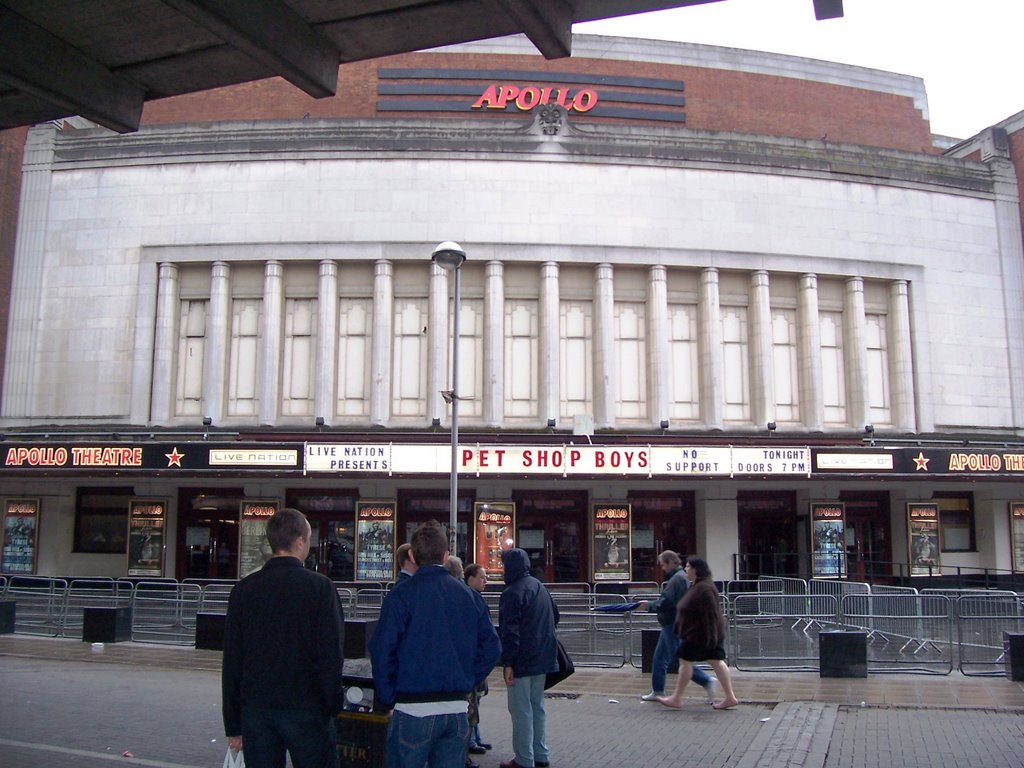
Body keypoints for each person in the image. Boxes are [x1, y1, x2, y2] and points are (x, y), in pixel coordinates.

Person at [370, 521, 500, 768]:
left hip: (412, 707)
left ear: (412, 555)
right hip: (456, 707)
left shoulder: (400, 596)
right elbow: (492, 647)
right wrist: (467, 678)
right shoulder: (468, 596)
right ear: (445, 555)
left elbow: (382, 650)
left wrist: (388, 697)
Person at [222, 508, 345, 768]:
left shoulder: (244, 590)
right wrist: (332, 705)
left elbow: (233, 660)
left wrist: (233, 723)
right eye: (309, 538)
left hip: (257, 710)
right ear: (300, 541)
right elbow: (331, 654)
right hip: (307, 708)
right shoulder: (321, 588)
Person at [498, 548, 559, 768]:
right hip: (543, 656)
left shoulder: (511, 593)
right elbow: (556, 615)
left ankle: (524, 758)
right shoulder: (539, 586)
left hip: (523, 659)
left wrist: (508, 663)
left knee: (520, 709)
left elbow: (510, 632)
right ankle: (540, 753)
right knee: (537, 706)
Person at [657, 556, 739, 711]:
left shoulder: (704, 588)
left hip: (700, 634)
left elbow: (710, 613)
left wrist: (710, 634)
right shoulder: (698, 585)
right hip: (702, 633)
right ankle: (730, 697)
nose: (685, 569)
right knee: (715, 661)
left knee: (686, 661)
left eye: (688, 566)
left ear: (695, 569)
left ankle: (677, 698)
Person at [637, 550, 715, 703]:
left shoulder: (676, 580)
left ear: (671, 562)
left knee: (677, 658)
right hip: (673, 622)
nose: (663, 568)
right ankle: (657, 690)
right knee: (660, 657)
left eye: (663, 565)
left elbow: (667, 602)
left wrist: (649, 605)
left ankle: (705, 680)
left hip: (672, 623)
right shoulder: (681, 578)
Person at [464, 564, 493, 757]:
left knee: (477, 699)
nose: (485, 581)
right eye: (482, 577)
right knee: (472, 702)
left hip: (477, 661)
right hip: (473, 662)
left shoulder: (476, 598)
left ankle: (476, 736)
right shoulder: (469, 599)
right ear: (470, 578)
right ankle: (472, 741)